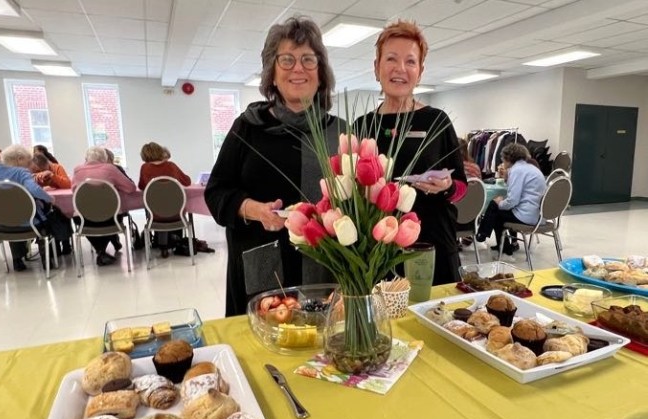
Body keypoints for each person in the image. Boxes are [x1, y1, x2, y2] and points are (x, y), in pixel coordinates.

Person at [205, 16, 344, 317]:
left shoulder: (339, 132)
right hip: (262, 268)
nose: (298, 68)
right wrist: (255, 210)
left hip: (327, 268)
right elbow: (216, 193)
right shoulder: (247, 128)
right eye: (287, 59)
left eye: (309, 59)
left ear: (321, 71)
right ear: (272, 71)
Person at [353, 20, 466, 285]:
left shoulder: (437, 121)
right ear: (376, 67)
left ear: (421, 71)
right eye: (391, 59)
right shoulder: (362, 126)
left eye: (410, 61)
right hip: (376, 251)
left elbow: (462, 188)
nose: (400, 69)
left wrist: (447, 187)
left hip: (430, 246)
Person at [476, 143, 547, 258]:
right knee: (496, 208)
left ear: (508, 158)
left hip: (527, 216)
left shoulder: (516, 170)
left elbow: (512, 201)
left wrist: (500, 202)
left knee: (495, 209)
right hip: (538, 214)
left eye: (503, 158)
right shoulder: (531, 168)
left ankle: (502, 249)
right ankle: (487, 235)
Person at [0, 144, 55, 271]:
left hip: (1, 225)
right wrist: (50, 199)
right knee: (47, 218)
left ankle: (17, 261)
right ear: (19, 159)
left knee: (11, 217)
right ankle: (46, 259)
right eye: (29, 159)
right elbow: (34, 189)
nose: (30, 163)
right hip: (29, 224)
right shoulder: (21, 172)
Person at [71, 146, 137, 266]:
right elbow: (131, 188)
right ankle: (102, 251)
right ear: (105, 158)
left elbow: (74, 189)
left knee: (88, 224)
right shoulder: (110, 169)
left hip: (83, 218)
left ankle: (100, 251)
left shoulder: (77, 170)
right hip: (111, 217)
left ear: (86, 158)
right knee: (108, 221)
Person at [138, 141, 192, 258]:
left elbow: (142, 186)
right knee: (167, 205)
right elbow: (187, 182)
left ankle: (162, 246)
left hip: (155, 215)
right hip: (177, 214)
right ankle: (175, 240)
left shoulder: (144, 168)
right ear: (160, 151)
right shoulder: (171, 166)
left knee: (155, 206)